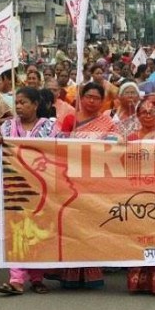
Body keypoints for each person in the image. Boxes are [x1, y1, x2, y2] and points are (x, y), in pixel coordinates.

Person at [54, 82, 119, 289]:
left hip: (96, 180)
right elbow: (57, 146)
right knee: (72, 225)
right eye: (88, 96)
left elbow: (115, 147)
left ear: (102, 101)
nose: (92, 101)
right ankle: (70, 274)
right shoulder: (70, 120)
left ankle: (92, 273)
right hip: (72, 179)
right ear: (81, 98)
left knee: (93, 225)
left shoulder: (107, 122)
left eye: (96, 97)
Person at [0, 87, 56, 295]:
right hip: (14, 187)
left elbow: (58, 152)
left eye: (24, 102)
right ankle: (16, 279)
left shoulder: (49, 127)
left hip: (40, 188)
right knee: (16, 232)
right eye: (17, 103)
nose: (19, 106)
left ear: (36, 105)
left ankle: (37, 278)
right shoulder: (7, 127)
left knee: (36, 233)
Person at [126, 100, 155, 296]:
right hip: (136, 195)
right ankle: (138, 283)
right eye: (143, 112)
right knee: (139, 237)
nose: (147, 115)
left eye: (151, 112)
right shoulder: (129, 139)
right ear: (137, 116)